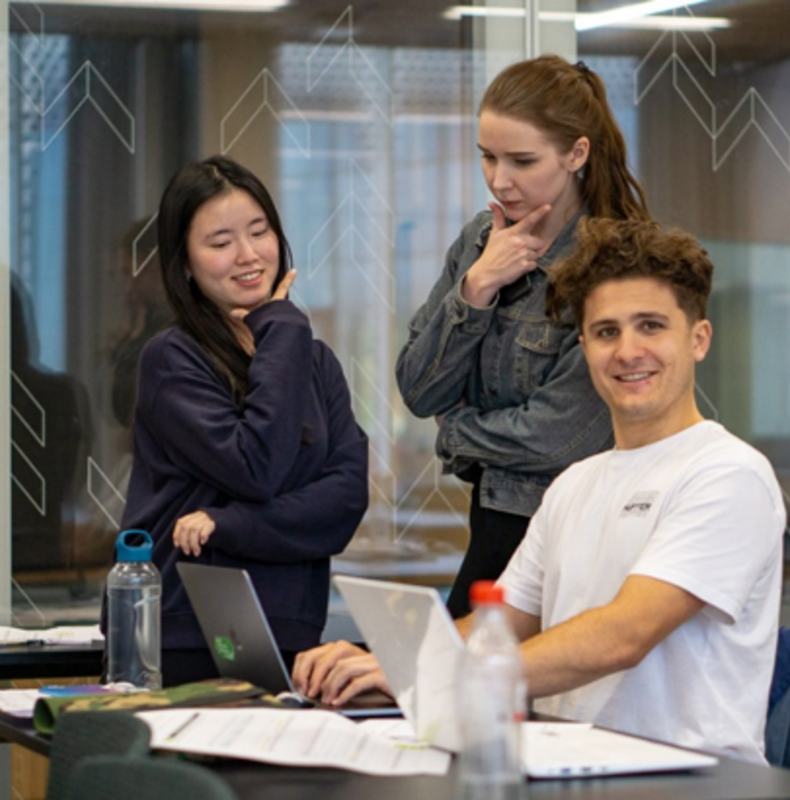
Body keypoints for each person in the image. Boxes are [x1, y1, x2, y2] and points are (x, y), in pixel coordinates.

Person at [294, 218, 785, 763]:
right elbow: (499, 624)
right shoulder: (575, 483)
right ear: (584, 346)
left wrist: (429, 672)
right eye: (606, 331)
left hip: (695, 782)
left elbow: (624, 634)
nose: (627, 352)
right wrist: (386, 659)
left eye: (651, 326)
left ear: (698, 340)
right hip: (570, 765)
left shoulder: (728, 474)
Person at [395, 54, 650, 617]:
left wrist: (455, 432)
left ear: (576, 153)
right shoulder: (480, 241)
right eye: (487, 156)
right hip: (493, 519)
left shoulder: (616, 262)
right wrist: (478, 286)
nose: (498, 179)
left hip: (577, 532)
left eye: (522, 160)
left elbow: (558, 437)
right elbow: (418, 389)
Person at [108, 155, 369, 686]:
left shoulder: (312, 361)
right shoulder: (172, 359)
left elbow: (343, 500)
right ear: (184, 262)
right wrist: (281, 327)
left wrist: (230, 524)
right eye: (220, 242)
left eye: (259, 231)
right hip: (189, 628)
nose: (248, 255)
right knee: (186, 773)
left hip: (291, 626)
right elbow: (255, 465)